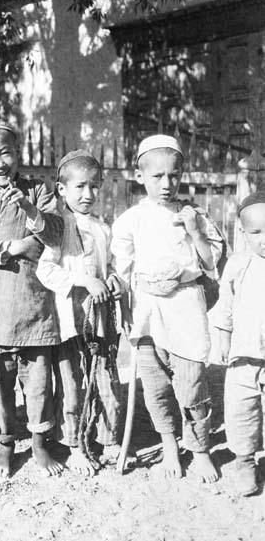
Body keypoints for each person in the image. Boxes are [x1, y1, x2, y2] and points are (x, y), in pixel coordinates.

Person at [111, 134, 224, 483]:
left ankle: (201, 449)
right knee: (156, 385)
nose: (167, 183)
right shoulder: (131, 220)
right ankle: (170, 445)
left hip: (185, 308)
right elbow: (123, 269)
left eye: (174, 175)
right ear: (140, 175)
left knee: (192, 384)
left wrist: (195, 232)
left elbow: (210, 264)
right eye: (157, 176)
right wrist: (123, 293)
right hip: (147, 311)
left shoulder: (195, 215)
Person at [0, 118, 64, 478]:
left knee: (38, 381)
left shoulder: (38, 191)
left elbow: (55, 235)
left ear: (18, 154)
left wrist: (29, 209)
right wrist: (14, 246)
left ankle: (40, 443)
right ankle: (5, 444)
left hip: (33, 303)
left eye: (5, 152)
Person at [36, 150, 122, 475]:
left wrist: (112, 279)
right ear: (62, 190)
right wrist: (82, 280)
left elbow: (109, 265)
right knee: (72, 384)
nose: (88, 195)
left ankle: (106, 438)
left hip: (100, 320)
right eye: (80, 187)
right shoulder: (59, 228)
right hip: (70, 322)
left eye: (95, 187)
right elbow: (46, 271)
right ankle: (74, 446)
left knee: (105, 380)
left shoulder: (103, 228)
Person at [212, 191, 265, 496]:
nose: (263, 239)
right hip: (243, 358)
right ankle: (244, 462)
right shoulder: (238, 264)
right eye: (256, 232)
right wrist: (222, 338)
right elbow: (225, 306)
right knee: (240, 411)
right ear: (243, 233)